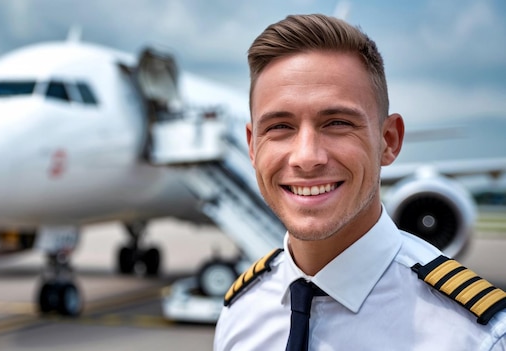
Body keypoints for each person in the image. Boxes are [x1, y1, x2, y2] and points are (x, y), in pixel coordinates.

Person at [213, 14, 506, 350]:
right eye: (280, 127)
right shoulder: (240, 312)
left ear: (389, 141)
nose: (306, 157)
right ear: (252, 146)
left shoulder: (476, 336)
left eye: (337, 122)